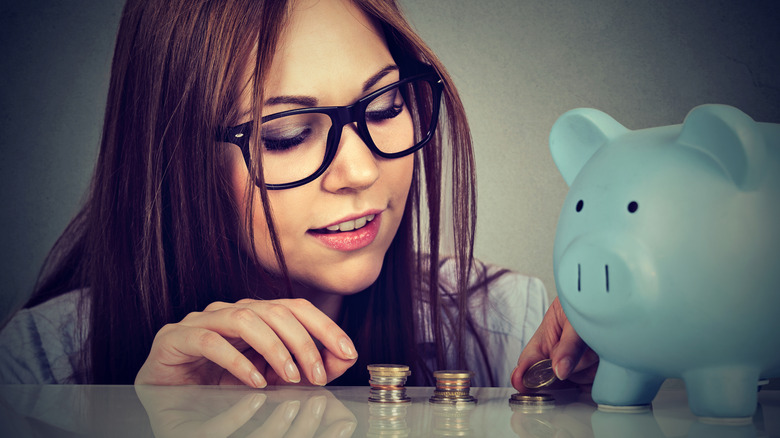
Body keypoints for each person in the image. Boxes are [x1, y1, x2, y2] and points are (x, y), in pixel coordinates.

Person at [0, 0, 591, 389]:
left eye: (385, 105)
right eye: (284, 135)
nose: (360, 171)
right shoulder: (37, 369)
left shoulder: (510, 329)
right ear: (173, 158)